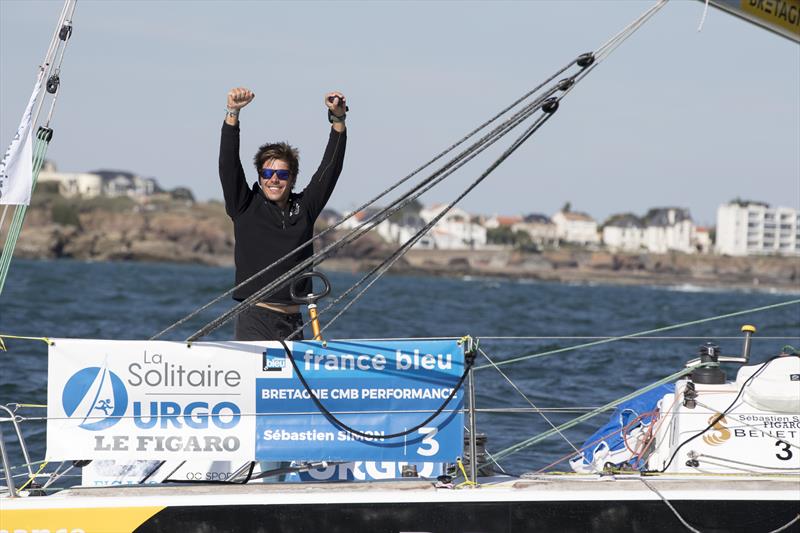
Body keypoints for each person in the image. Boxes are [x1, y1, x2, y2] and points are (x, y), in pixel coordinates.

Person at [219, 87, 347, 341]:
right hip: (255, 319)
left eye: (282, 174)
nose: (274, 180)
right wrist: (232, 114)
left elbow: (330, 169)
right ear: (260, 177)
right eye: (267, 174)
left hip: (295, 321)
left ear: (292, 179)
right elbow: (228, 164)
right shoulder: (244, 205)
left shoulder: (305, 208)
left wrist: (338, 120)